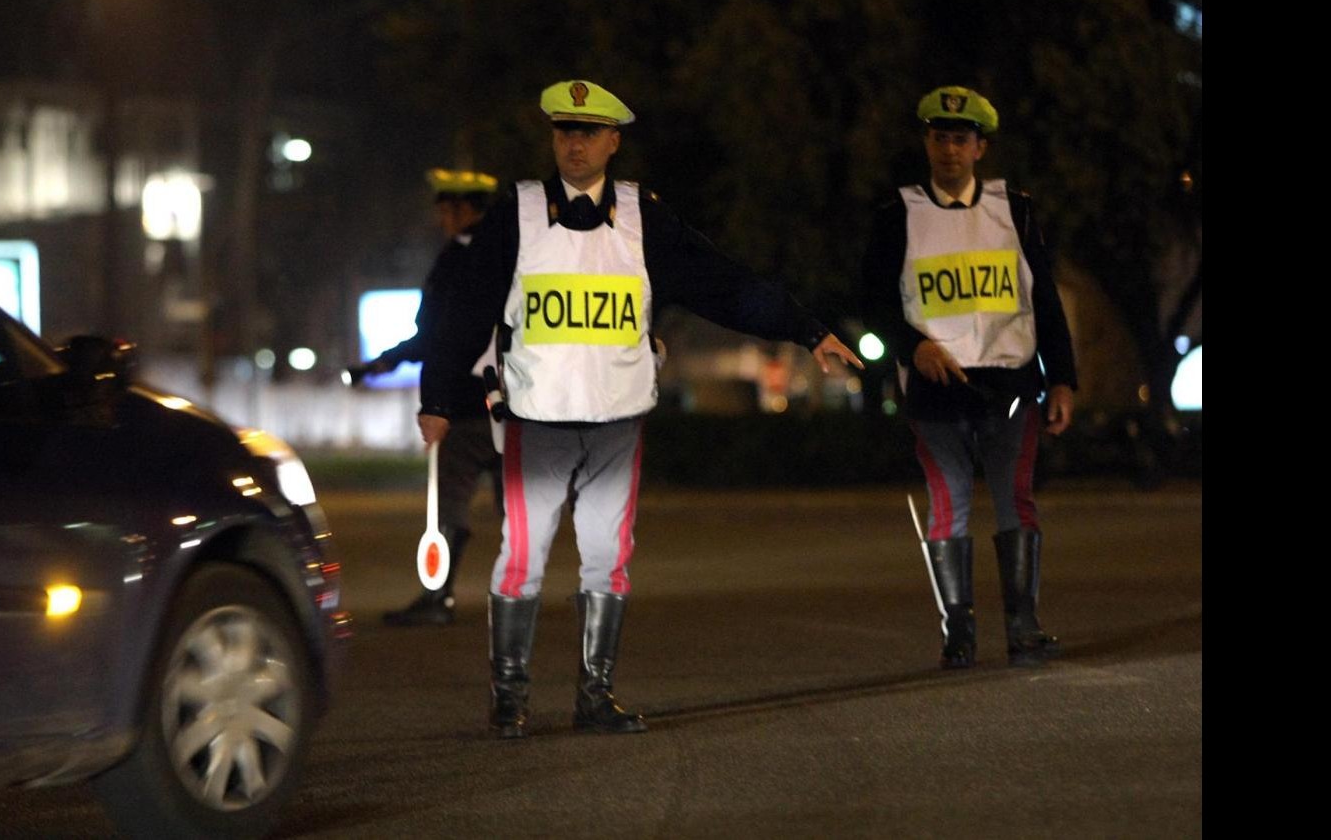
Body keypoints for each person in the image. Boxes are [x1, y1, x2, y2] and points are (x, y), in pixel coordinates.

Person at [417, 79, 863, 738]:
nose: (575, 141)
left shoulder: (642, 217)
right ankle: (509, 699)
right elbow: (464, 312)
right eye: (565, 130)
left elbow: (721, 281)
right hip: (536, 419)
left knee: (608, 557)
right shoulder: (517, 211)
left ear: (613, 141)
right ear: (553, 137)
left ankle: (595, 696)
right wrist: (438, 397)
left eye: (589, 131)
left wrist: (806, 327)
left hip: (618, 422)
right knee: (522, 557)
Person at [860, 85, 1078, 670]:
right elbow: (872, 301)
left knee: (1015, 500)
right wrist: (913, 346)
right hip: (935, 389)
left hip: (1008, 383)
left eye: (961, 139)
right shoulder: (898, 215)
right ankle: (959, 634)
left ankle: (1022, 626)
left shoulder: (1016, 211)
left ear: (981, 148)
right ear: (927, 142)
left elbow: (1046, 301)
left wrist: (1064, 379)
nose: (949, 149)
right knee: (948, 504)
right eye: (939, 138)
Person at [353, 168, 504, 626]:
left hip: (462, 402)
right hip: (514, 404)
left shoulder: (459, 260)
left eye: (445, 210)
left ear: (463, 209)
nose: (441, 219)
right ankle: (524, 599)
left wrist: (391, 363)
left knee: (449, 506)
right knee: (519, 508)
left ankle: (438, 598)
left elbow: (438, 334)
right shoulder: (508, 256)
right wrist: (386, 362)